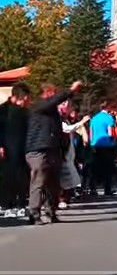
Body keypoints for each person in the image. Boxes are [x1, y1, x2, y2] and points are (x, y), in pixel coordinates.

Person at [25, 81, 82, 225]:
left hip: (53, 149)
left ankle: (51, 211)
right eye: (54, 93)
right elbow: (54, 101)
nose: (56, 97)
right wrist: (71, 90)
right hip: (38, 149)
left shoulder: (52, 112)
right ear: (48, 93)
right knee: (38, 181)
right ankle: (34, 213)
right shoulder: (39, 105)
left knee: (53, 183)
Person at [0, 82, 31, 218]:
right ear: (22, 97)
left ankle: (20, 204)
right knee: (7, 177)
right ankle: (6, 204)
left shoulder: (24, 112)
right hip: (6, 149)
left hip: (21, 149)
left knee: (21, 177)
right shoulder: (2, 111)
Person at [58, 102, 89, 209]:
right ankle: (61, 198)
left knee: (70, 177)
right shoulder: (58, 119)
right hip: (62, 152)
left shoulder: (65, 118)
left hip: (70, 152)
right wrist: (82, 122)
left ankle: (66, 197)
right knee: (63, 177)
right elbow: (67, 129)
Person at [89, 102, 117, 196]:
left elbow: (91, 132)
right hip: (107, 145)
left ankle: (92, 188)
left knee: (95, 168)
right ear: (108, 107)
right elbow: (110, 133)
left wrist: (91, 143)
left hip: (95, 144)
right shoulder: (109, 118)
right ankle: (107, 189)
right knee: (108, 168)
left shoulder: (94, 118)